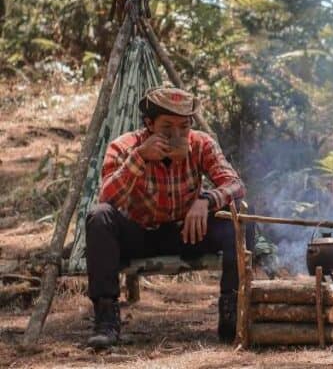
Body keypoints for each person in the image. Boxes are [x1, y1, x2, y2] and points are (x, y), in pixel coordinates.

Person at [85, 87, 247, 348]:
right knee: (99, 217)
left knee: (239, 215)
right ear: (149, 125)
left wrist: (205, 201)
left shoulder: (201, 143)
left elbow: (235, 184)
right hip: (140, 234)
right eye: (167, 127)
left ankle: (232, 312)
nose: (177, 136)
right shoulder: (125, 146)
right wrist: (140, 158)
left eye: (184, 127)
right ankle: (106, 321)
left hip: (187, 232)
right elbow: (107, 196)